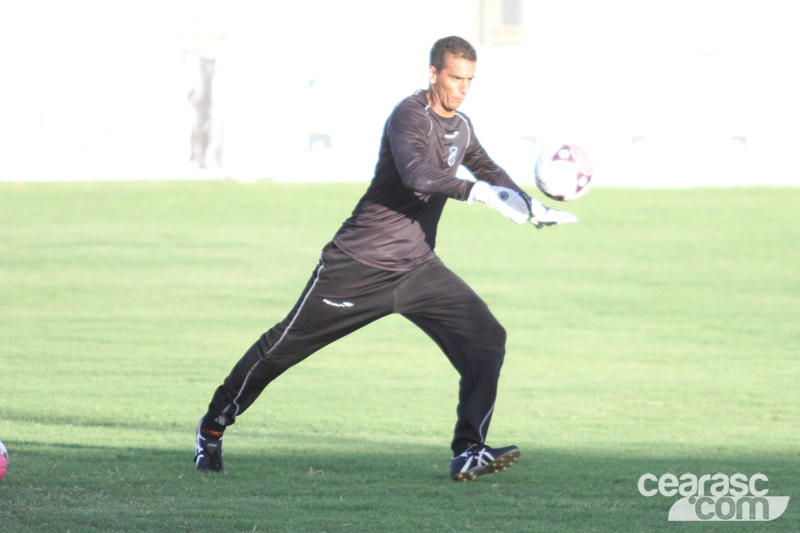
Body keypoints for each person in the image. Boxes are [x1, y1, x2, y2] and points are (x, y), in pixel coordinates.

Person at [194, 36, 577, 481]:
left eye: (469, 80)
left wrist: (529, 207)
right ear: (433, 74)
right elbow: (418, 173)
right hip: (357, 266)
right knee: (281, 350)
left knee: (487, 338)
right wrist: (476, 193)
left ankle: (469, 449)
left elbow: (487, 170)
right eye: (455, 78)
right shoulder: (408, 116)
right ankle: (212, 428)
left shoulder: (462, 126)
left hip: (417, 269)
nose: (462, 88)